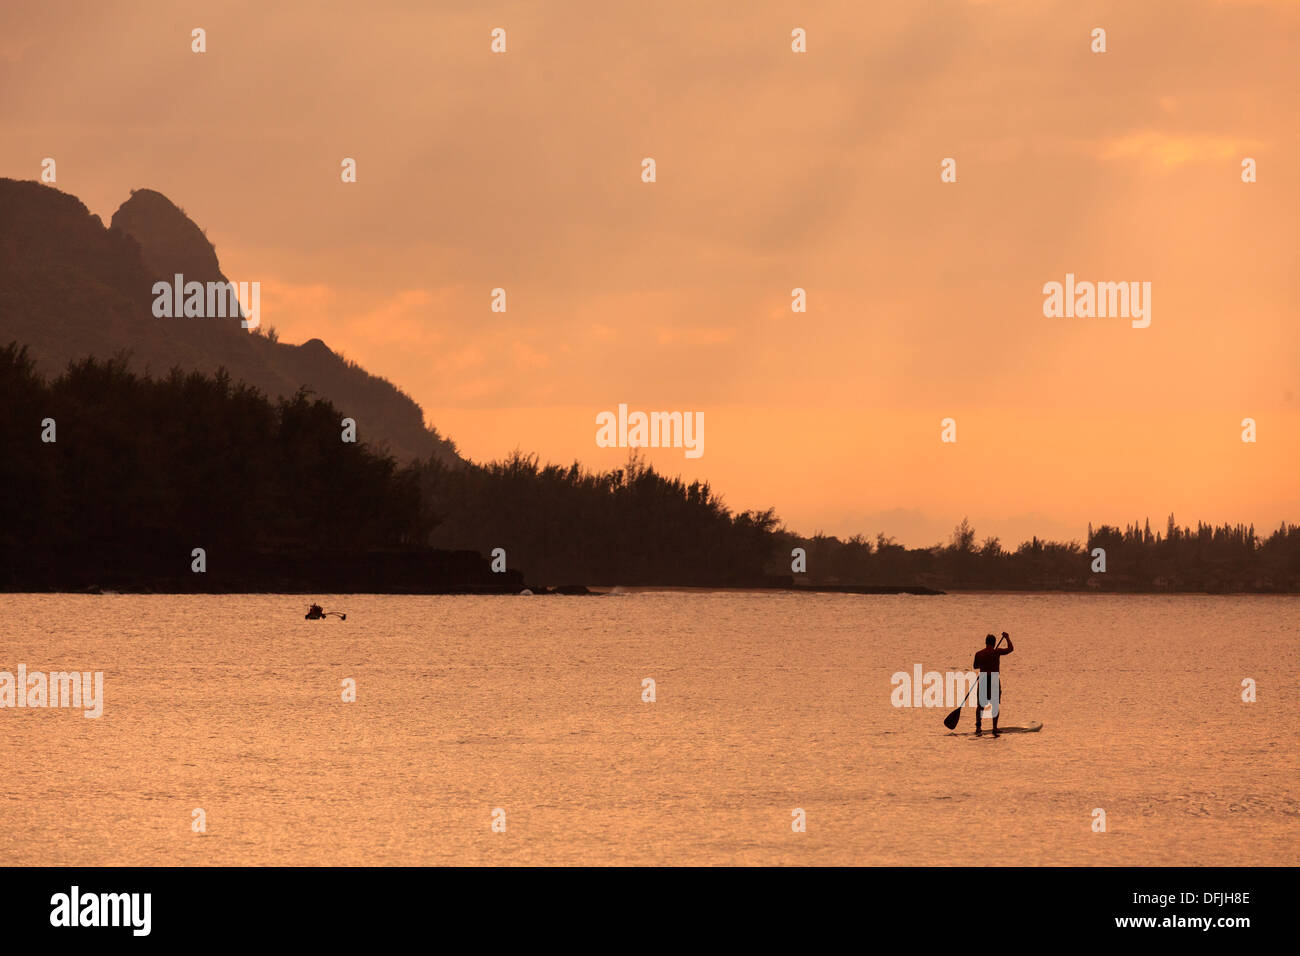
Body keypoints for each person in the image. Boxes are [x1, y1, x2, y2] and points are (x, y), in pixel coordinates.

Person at [973, 631, 1013, 736]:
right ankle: (994, 728)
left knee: (980, 705)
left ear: (986, 643)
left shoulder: (979, 653)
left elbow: (975, 666)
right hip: (994, 680)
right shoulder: (997, 652)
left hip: (982, 679)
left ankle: (978, 727)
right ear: (994, 643)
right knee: (994, 704)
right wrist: (1007, 638)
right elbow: (1010, 649)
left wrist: (984, 664)